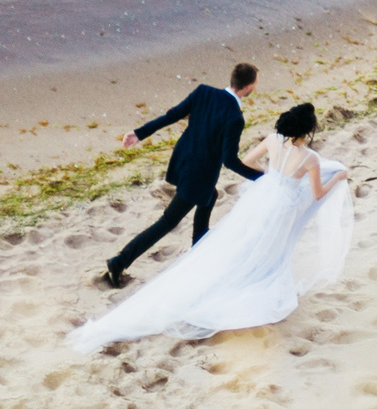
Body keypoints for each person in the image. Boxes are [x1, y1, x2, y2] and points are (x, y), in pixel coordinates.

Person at [69, 102, 353, 351]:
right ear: (307, 130)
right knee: (268, 251)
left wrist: (272, 178)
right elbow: (317, 194)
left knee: (246, 243)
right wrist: (338, 177)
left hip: (264, 196)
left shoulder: (272, 140)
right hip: (283, 207)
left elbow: (246, 161)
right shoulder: (310, 158)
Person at [101, 62, 266, 288]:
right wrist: (262, 178)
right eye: (255, 84)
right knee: (168, 221)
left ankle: (200, 248)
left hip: (184, 162)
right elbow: (230, 161)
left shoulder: (203, 92)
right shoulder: (235, 117)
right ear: (247, 87)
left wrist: (139, 133)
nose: (255, 87)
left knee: (210, 198)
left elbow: (172, 115)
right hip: (199, 176)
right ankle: (120, 261)